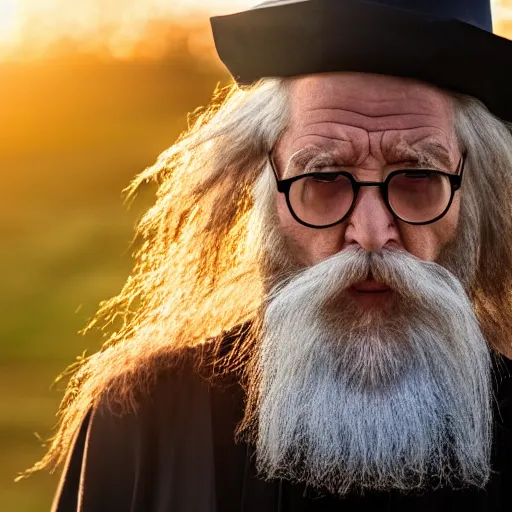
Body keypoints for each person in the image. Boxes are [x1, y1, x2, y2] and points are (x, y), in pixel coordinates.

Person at [43, 0, 512, 510]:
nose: (373, 234)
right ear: (260, 189)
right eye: (323, 178)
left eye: (420, 177)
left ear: (474, 192)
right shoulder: (142, 423)